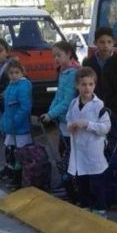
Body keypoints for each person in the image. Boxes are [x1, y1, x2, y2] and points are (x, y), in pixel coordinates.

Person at [82, 27, 117, 154]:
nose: (106, 46)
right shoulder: (89, 63)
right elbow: (86, 88)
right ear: (96, 43)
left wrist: (109, 110)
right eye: (102, 42)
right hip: (96, 113)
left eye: (109, 42)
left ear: (113, 43)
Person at [66, 67, 111, 218]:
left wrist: (87, 124)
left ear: (94, 86)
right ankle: (85, 206)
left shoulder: (99, 106)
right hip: (79, 151)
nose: (87, 88)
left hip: (93, 151)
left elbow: (105, 127)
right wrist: (70, 126)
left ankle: (100, 209)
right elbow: (69, 119)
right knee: (82, 182)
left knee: (97, 182)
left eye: (90, 84)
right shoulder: (73, 103)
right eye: (83, 84)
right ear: (77, 86)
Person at [40, 40, 80, 199]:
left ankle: (71, 185)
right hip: (63, 120)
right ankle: (66, 182)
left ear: (68, 54)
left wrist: (51, 114)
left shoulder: (72, 73)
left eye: (59, 55)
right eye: (54, 56)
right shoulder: (64, 71)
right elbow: (58, 96)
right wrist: (50, 112)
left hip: (71, 120)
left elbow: (67, 100)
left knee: (68, 154)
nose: (55, 59)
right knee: (64, 152)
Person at [0, 59, 33, 191]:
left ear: (22, 72)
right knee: (12, 152)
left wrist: (15, 121)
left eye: (16, 72)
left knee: (20, 155)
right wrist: (5, 123)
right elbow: (8, 108)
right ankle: (15, 178)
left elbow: (25, 107)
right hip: (12, 127)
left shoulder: (23, 86)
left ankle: (19, 180)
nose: (13, 75)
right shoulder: (11, 85)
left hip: (20, 128)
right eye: (11, 73)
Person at [0, 39, 15, 182]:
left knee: (10, 141)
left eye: (0, 50)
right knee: (5, 140)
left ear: (7, 51)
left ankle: (12, 168)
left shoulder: (9, 68)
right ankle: (8, 166)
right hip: (0, 109)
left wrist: (4, 96)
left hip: (7, 109)